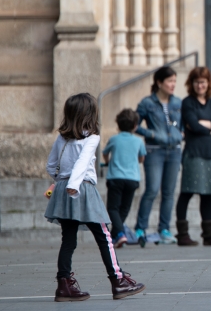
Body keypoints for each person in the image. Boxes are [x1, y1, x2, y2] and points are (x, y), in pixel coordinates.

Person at [44, 93, 145, 302]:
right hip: (82, 189)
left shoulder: (62, 138)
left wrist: (60, 182)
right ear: (91, 114)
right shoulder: (92, 138)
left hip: (63, 189)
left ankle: (63, 284)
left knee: (68, 239)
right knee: (104, 236)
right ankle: (118, 280)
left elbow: (51, 164)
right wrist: (73, 185)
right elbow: (82, 163)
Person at [176, 67, 211, 246]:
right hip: (194, 152)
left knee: (208, 194)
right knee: (188, 192)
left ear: (208, 84)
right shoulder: (188, 103)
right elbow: (192, 125)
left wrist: (204, 123)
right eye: (197, 82)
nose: (200, 85)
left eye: (203, 82)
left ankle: (209, 235)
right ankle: (182, 234)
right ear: (192, 84)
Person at [133, 66, 184, 247]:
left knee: (169, 193)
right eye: (170, 81)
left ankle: (164, 229)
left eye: (174, 81)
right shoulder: (147, 103)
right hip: (154, 150)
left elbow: (182, 124)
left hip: (175, 151)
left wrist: (180, 135)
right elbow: (134, 125)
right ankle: (140, 228)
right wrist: (152, 134)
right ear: (159, 83)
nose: (173, 85)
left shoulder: (178, 102)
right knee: (152, 189)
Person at [102, 109, 146, 248]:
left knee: (113, 208)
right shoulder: (138, 141)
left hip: (116, 177)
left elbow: (105, 153)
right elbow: (141, 158)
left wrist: (108, 162)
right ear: (135, 125)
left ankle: (119, 234)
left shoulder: (114, 139)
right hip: (132, 179)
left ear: (118, 125)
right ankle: (116, 235)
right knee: (125, 208)